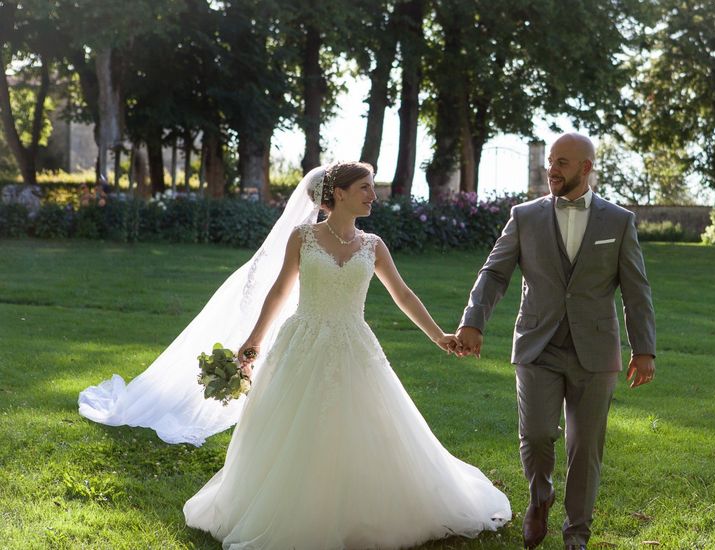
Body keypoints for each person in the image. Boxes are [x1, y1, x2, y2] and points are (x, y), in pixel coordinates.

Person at [179, 162, 510, 548]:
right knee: (294, 429)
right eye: (365, 188)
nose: (373, 195)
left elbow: (403, 295)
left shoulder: (374, 245)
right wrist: (254, 340)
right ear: (339, 193)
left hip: (355, 345)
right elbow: (281, 290)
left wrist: (439, 336)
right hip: (302, 342)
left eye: (372, 188)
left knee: (364, 426)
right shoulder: (303, 237)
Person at [454, 133, 656, 549]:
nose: (552, 169)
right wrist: (473, 321)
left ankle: (577, 533)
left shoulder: (618, 221)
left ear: (586, 168)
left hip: (595, 352)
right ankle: (540, 494)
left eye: (562, 162)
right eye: (550, 161)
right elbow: (494, 273)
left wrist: (644, 349)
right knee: (537, 434)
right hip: (537, 345)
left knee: (585, 449)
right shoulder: (525, 216)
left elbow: (636, 291)